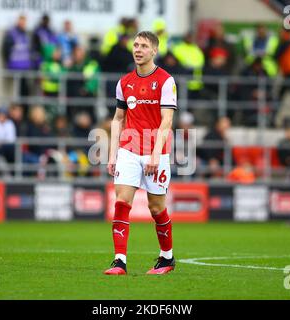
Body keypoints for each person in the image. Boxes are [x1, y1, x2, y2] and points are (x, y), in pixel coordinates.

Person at [104, 31, 177, 275]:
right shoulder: (124, 82)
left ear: (154, 51)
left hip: (156, 151)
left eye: (144, 46)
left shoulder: (166, 81)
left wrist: (156, 154)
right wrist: (113, 154)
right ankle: (119, 261)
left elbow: (166, 121)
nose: (138, 49)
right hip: (129, 149)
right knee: (122, 201)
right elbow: (118, 119)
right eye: (135, 45)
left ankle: (166, 258)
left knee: (156, 208)